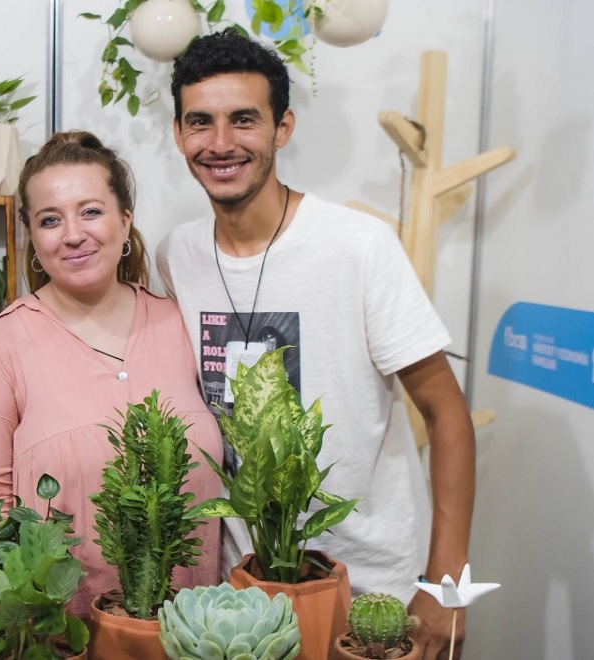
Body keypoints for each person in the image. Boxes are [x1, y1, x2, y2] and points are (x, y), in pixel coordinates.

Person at [156, 28, 476, 660]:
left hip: (375, 592)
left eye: (243, 120)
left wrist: (445, 587)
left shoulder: (358, 246)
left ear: (283, 128)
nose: (220, 144)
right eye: (201, 122)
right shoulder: (177, 256)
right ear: (177, 135)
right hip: (242, 601)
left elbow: (448, 414)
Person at [0, 130, 223, 617]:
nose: (73, 233)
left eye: (91, 211)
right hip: (61, 639)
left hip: (189, 636)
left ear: (125, 220)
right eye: (51, 220)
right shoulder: (0, 348)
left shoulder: (182, 325)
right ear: (33, 237)